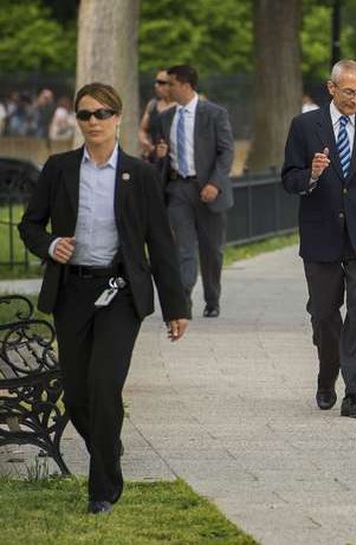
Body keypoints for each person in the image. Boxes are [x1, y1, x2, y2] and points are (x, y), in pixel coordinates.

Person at [18, 82, 188, 515]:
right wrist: (50, 244)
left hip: (120, 292)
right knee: (76, 395)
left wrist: (176, 308)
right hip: (71, 291)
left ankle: (102, 491)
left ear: (118, 118)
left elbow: (160, 244)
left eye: (101, 114)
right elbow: (30, 226)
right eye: (84, 115)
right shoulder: (58, 169)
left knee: (103, 385)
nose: (92, 122)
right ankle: (109, 448)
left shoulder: (141, 174)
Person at [281, 60, 356, 418]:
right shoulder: (305, 126)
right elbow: (289, 178)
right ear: (331, 89)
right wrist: (311, 175)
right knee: (325, 316)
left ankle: (354, 392)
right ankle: (326, 375)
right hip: (322, 235)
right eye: (349, 91)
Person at [151, 64, 235, 318]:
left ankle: (212, 299)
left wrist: (215, 184)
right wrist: (159, 156)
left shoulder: (215, 114)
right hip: (178, 190)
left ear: (185, 85)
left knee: (211, 251)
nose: (165, 88)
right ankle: (183, 299)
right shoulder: (164, 118)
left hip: (208, 190)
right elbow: (160, 157)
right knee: (183, 249)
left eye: (170, 84)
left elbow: (226, 151)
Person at [138, 70, 176, 159]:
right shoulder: (152, 104)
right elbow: (143, 129)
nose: (156, 86)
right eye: (156, 82)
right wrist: (145, 142)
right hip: (153, 157)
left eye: (161, 83)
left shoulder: (181, 107)